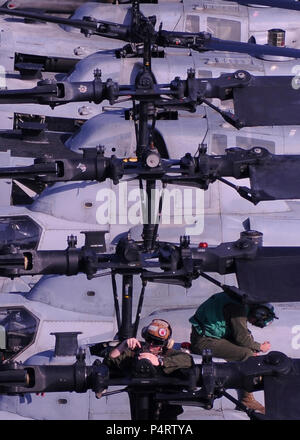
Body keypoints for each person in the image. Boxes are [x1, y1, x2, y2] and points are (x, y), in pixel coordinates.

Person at [189, 291, 278, 414]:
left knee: (249, 349)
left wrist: (253, 347)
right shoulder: (238, 309)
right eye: (253, 321)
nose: (251, 322)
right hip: (204, 342)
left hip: (211, 336)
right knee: (247, 355)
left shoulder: (241, 300)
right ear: (257, 312)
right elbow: (242, 338)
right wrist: (260, 347)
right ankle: (247, 400)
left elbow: (241, 333)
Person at [104, 318, 193, 420]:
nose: (151, 345)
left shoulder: (169, 354)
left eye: (156, 342)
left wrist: (160, 361)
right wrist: (123, 345)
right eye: (149, 340)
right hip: (139, 410)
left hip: (166, 413)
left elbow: (188, 360)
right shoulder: (135, 353)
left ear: (163, 344)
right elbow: (110, 361)